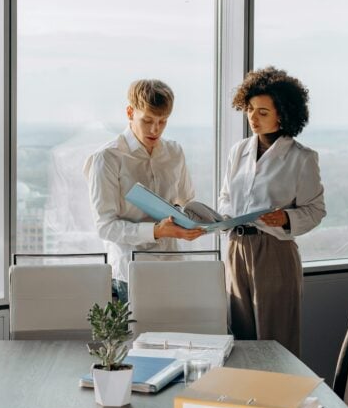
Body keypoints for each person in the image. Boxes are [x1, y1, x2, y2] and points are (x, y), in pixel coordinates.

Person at [218, 66, 326, 357]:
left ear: (283, 113)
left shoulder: (301, 158)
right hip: (236, 247)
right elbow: (226, 196)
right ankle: (245, 399)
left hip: (274, 251)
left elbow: (315, 210)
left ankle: (279, 399)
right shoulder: (237, 152)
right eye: (250, 109)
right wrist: (224, 215)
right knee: (239, 337)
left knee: (277, 338)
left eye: (263, 112)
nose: (253, 118)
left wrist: (286, 218)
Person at [84, 79, 205, 302]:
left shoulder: (174, 152)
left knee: (176, 337)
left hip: (172, 268)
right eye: (147, 120)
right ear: (130, 112)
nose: (155, 129)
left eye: (163, 121)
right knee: (134, 338)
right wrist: (157, 231)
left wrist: (189, 221)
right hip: (130, 274)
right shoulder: (108, 158)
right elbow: (105, 226)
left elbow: (186, 200)